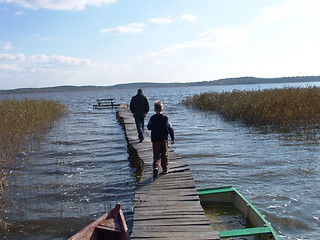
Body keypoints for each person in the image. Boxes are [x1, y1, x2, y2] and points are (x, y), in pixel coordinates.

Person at [147, 101, 175, 178]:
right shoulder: (165, 118)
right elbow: (170, 128)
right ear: (162, 109)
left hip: (155, 140)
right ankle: (165, 169)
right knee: (164, 154)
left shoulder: (152, 118)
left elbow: (149, 127)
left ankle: (156, 167)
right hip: (164, 139)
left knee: (156, 155)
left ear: (154, 109)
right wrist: (172, 138)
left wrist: (153, 127)